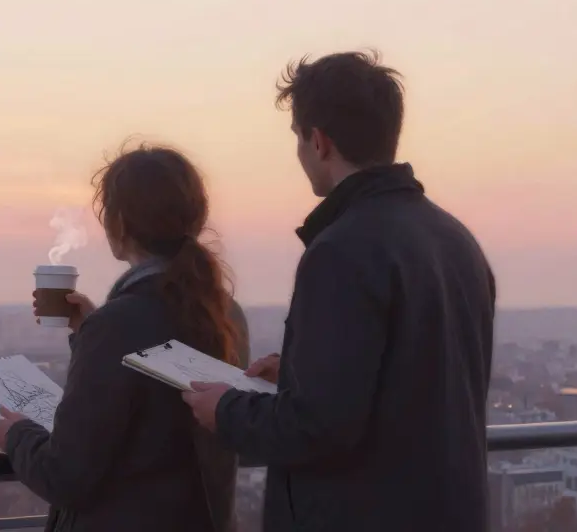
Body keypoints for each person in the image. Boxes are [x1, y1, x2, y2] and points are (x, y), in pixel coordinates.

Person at [182, 51, 496, 531]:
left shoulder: (343, 250)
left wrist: (225, 410)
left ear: (319, 141)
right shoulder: (453, 239)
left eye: (298, 139)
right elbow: (416, 378)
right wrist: (300, 371)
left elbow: (318, 428)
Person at [0, 144, 250, 532]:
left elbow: (66, 475)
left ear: (120, 224)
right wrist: (89, 332)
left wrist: (16, 435)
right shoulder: (226, 314)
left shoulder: (118, 326)